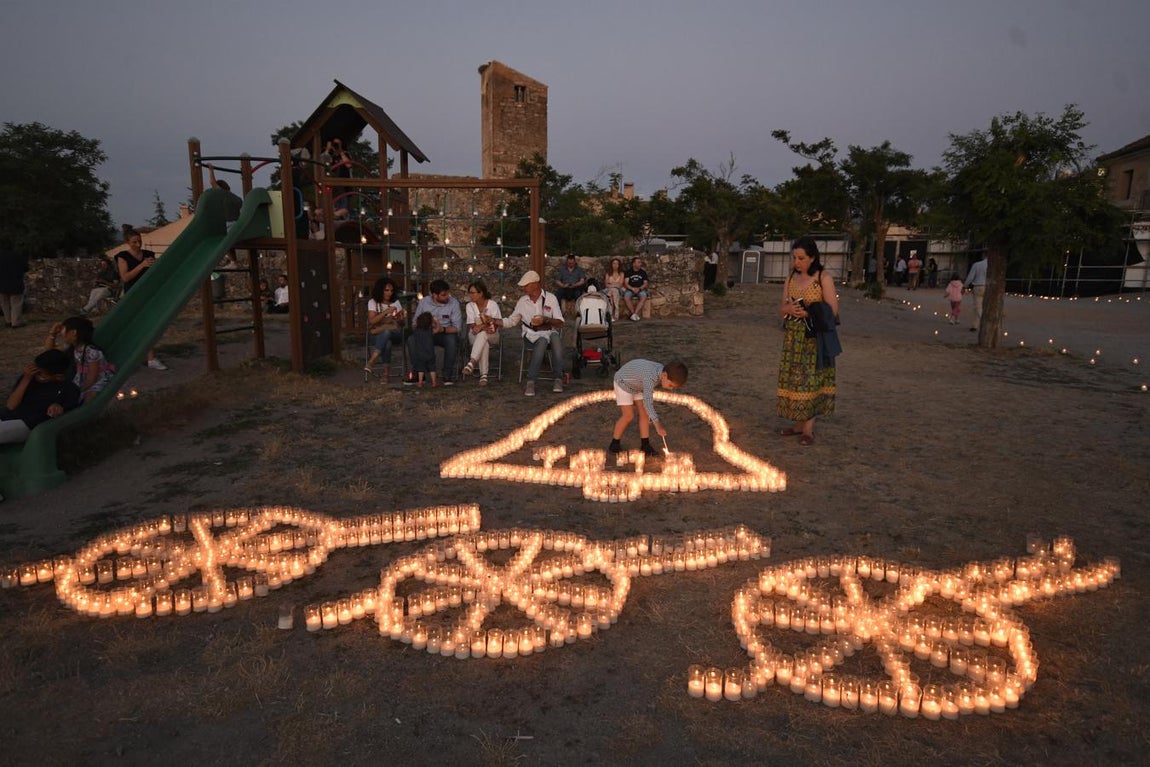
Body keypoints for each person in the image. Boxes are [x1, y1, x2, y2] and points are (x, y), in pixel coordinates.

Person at [777, 236, 839, 446]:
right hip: (793, 337)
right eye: (794, 257)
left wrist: (809, 313)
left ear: (812, 258)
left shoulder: (824, 278)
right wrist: (788, 310)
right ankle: (797, 424)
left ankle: (808, 429)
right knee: (795, 381)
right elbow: (782, 308)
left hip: (814, 338)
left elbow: (833, 310)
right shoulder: (790, 278)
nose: (797, 262)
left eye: (801, 258)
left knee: (810, 381)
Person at [499, 270, 565, 396]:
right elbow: (512, 321)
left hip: (548, 330)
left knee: (555, 339)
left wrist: (546, 319)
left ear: (535, 284)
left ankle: (558, 378)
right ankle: (531, 381)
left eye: (526, 285)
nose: (524, 288)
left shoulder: (550, 298)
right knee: (542, 341)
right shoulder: (523, 301)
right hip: (531, 334)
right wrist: (497, 322)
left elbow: (560, 323)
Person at [608, 359, 688, 456]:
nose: (671, 389)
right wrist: (658, 426)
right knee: (628, 415)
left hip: (638, 384)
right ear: (664, 375)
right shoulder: (650, 377)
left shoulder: (660, 372)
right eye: (670, 385)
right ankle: (614, 443)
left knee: (644, 414)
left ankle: (645, 445)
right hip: (623, 382)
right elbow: (648, 403)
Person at [0, 349, 80, 445]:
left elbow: (67, 414)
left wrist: (58, 409)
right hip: (8, 415)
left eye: (41, 373)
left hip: (28, 424)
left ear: (58, 376)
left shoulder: (69, 389)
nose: (37, 375)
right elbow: (11, 405)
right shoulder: (29, 377)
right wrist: (26, 379)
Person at [115, 229, 167, 370]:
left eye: (139, 241)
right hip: (132, 293)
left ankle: (151, 358)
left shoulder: (148, 254)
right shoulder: (123, 256)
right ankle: (130, 355)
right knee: (133, 325)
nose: (138, 244)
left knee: (149, 325)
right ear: (127, 243)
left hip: (148, 292)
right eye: (134, 242)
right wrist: (141, 265)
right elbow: (125, 277)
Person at [45, 316, 112, 403]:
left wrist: (78, 390)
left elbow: (92, 378)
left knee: (88, 396)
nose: (61, 332)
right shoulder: (72, 347)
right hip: (81, 377)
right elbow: (49, 351)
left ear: (73, 333)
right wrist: (52, 333)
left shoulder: (91, 352)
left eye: (63, 329)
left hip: (96, 379)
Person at [409, 279, 461, 385]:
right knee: (412, 340)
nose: (447, 297)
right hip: (426, 333)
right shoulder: (424, 302)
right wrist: (425, 326)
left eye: (448, 294)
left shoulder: (453, 303)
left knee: (451, 340)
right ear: (434, 295)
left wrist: (442, 329)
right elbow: (414, 323)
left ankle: (447, 375)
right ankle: (418, 373)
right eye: (443, 295)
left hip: (444, 333)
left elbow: (457, 327)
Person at [364, 277, 406, 383]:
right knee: (386, 342)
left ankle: (372, 360)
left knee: (387, 333)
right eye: (386, 290)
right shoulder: (373, 302)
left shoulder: (396, 302)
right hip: (378, 335)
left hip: (395, 334)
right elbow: (372, 321)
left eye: (391, 290)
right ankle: (385, 374)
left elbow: (402, 324)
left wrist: (400, 319)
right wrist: (386, 311)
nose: (389, 293)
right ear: (380, 290)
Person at [462, 280, 502, 386]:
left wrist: (481, 326)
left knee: (483, 334)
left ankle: (472, 362)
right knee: (483, 339)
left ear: (481, 293)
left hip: (493, 334)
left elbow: (497, 323)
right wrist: (485, 327)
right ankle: (484, 375)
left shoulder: (492, 304)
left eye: (473, 292)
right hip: (475, 335)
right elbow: (472, 326)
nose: (470, 295)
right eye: (469, 292)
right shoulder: (470, 306)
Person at [0, 244, 29, 328]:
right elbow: (26, 268)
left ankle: (8, 321)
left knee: (4, 303)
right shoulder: (17, 256)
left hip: (2, 283)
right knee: (16, 303)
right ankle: (16, 322)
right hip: (16, 283)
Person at [410, 311, 437, 388]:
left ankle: (420, 382)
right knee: (432, 368)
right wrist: (436, 322)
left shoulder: (417, 331)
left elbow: (413, 326)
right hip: (430, 353)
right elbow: (437, 328)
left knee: (420, 369)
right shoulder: (430, 330)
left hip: (420, 354)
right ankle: (434, 382)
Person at [964, 252, 988, 333]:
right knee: (984, 307)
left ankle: (982, 323)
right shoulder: (993, 266)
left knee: (977, 307)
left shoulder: (977, 265)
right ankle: (975, 325)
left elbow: (970, 277)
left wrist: (965, 286)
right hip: (988, 287)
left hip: (978, 286)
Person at [622, 256, 650, 321]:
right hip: (630, 289)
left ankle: (635, 313)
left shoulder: (643, 272)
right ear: (634, 264)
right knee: (626, 297)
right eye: (638, 262)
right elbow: (626, 283)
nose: (640, 264)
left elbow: (645, 283)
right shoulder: (628, 272)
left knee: (643, 296)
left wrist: (639, 289)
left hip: (640, 289)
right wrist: (632, 289)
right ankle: (633, 314)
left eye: (640, 262)